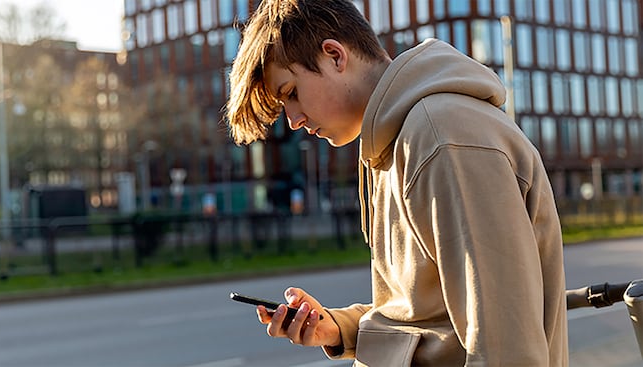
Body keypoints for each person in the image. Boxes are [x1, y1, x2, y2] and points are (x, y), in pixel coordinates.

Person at [224, 0, 568, 366]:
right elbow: (429, 313)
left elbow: (506, 347)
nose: (292, 120)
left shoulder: (442, 137)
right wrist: (338, 327)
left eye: (291, 92)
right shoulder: (394, 144)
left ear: (335, 56)